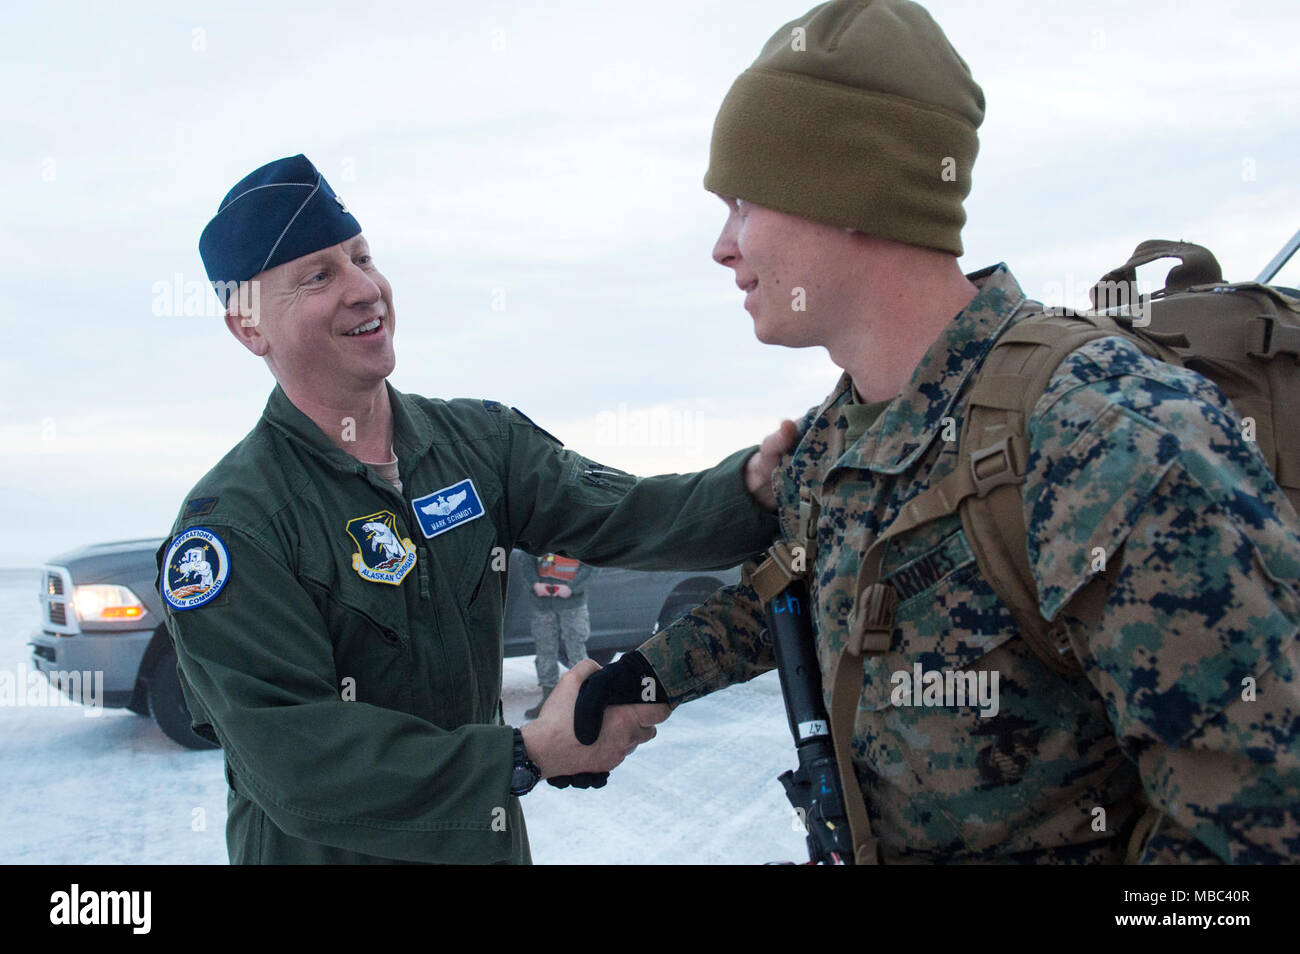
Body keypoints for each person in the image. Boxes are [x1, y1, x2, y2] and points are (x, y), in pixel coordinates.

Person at [575, 0, 1300, 863]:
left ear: (846, 192)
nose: (722, 247)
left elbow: (1254, 824)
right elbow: (798, 591)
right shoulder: (835, 440)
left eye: (742, 202)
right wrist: (647, 676)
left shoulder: (1104, 431)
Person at [155, 154, 792, 864]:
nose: (366, 289)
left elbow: (624, 513)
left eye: (363, 257)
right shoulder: (233, 527)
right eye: (320, 275)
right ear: (249, 328)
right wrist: (519, 757)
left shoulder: (477, 444)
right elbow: (296, 759)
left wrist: (752, 490)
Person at [524, 554, 593, 719]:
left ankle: (584, 699)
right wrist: (535, 584)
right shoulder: (537, 533)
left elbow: (591, 564)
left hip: (573, 603)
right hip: (542, 603)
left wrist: (572, 587)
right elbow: (526, 560)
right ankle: (548, 699)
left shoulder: (579, 531)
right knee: (544, 650)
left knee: (576, 650)